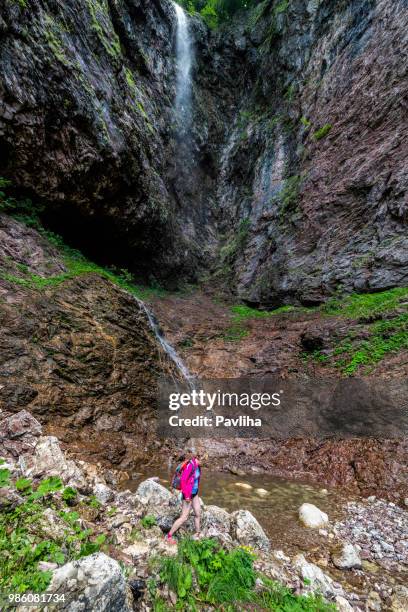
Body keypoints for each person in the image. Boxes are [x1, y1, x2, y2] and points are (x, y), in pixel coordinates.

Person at [166, 450, 201, 545]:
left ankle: (197, 534)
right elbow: (183, 481)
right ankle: (169, 536)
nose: (203, 463)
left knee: (198, 513)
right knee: (184, 517)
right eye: (203, 460)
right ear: (197, 458)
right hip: (188, 494)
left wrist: (195, 491)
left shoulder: (198, 466)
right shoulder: (191, 465)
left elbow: (195, 480)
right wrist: (188, 496)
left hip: (194, 493)